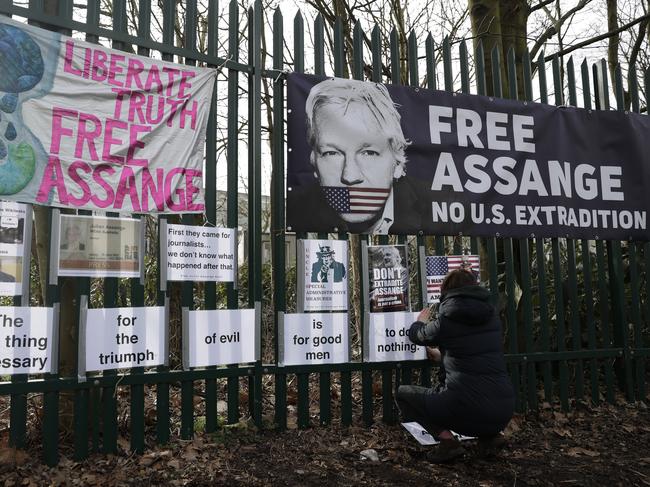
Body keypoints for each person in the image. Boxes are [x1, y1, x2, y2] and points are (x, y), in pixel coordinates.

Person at [396, 268, 515, 462]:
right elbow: (474, 356)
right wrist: (443, 357)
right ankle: (490, 438)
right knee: (478, 398)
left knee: (405, 395)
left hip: (465, 407)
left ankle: (448, 443)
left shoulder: (448, 318)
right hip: (502, 411)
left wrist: (420, 322)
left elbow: (418, 335)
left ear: (447, 291)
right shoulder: (492, 317)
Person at [287, 77, 428, 234]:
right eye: (332, 153)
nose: (350, 175)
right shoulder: (298, 209)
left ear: (398, 163)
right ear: (314, 161)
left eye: (368, 153)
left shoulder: (433, 207)